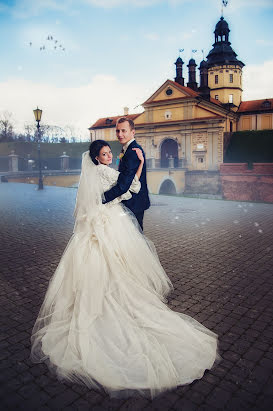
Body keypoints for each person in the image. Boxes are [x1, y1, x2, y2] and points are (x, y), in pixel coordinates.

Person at [30, 140, 219, 400]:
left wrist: (123, 182)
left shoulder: (92, 174)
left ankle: (93, 302)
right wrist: (140, 164)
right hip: (113, 222)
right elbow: (131, 185)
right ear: (96, 158)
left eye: (109, 153)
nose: (108, 156)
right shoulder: (106, 172)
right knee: (120, 265)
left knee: (97, 268)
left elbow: (99, 198)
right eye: (104, 154)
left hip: (98, 223)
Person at [103, 117, 150, 230]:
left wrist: (103, 198)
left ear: (132, 132)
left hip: (133, 203)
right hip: (134, 201)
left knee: (135, 240)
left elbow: (124, 186)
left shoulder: (133, 152)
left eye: (123, 131)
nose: (120, 134)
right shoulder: (128, 149)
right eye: (117, 131)